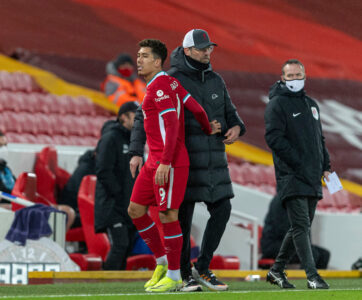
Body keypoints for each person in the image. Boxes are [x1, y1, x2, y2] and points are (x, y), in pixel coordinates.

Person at [129, 29, 245, 292]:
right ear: (188, 50)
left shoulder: (216, 80)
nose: (208, 52)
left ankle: (201, 266)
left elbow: (230, 114)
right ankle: (181, 273)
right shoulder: (169, 79)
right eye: (202, 48)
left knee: (223, 209)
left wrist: (236, 127)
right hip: (184, 159)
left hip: (214, 160)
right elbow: (141, 118)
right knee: (179, 216)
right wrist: (136, 151)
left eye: (209, 48)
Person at [264, 59, 331, 289]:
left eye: (298, 75)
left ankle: (276, 271)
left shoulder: (311, 105)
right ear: (283, 78)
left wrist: (326, 163)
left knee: (299, 227)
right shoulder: (276, 104)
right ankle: (312, 276)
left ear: (305, 76)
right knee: (302, 226)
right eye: (290, 76)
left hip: (312, 175)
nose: (295, 79)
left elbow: (319, 138)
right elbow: (273, 138)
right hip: (291, 175)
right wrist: (298, 162)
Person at [94, 101, 139, 270]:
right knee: (120, 245)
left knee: (126, 247)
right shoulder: (110, 138)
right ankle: (104, 285)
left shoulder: (136, 141)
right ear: (123, 117)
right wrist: (120, 194)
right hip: (112, 206)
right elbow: (103, 171)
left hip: (129, 206)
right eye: (136, 116)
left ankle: (117, 287)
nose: (140, 120)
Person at [261, 195, 330, 269]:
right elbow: (283, 229)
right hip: (273, 244)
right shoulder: (281, 200)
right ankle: (303, 279)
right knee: (312, 254)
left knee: (324, 254)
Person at [58, 149, 96, 229]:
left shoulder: (90, 165)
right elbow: (83, 198)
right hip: (73, 210)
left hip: (77, 208)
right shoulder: (86, 169)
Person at [0, 131, 15, 209]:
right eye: (0, 146)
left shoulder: (6, 169)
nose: (4, 149)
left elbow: (17, 188)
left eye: (5, 145)